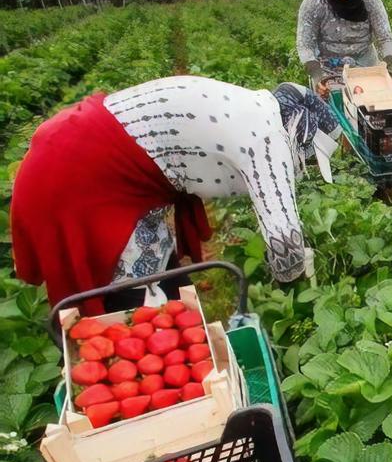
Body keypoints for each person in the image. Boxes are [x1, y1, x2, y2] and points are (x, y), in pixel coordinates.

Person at [11, 76, 340, 313]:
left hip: (84, 146)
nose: (305, 164)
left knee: (159, 263)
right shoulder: (268, 138)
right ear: (299, 132)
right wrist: (302, 296)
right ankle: (139, 348)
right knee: (129, 281)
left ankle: (174, 326)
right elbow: (284, 241)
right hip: (78, 170)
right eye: (310, 155)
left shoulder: (254, 106)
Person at [297, 0, 392, 94]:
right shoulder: (314, 4)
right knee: (333, 109)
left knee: (373, 106)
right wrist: (316, 73)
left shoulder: (369, 0)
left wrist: (391, 66)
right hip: (329, 71)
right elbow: (305, 44)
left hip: (366, 67)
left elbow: (385, 37)